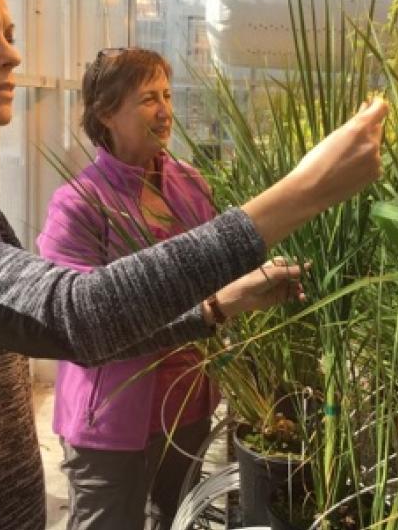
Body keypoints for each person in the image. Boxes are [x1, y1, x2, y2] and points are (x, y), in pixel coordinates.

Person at [0, 0, 387, 530]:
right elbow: (74, 314)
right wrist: (302, 192)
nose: (10, 55)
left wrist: (217, 307)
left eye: (7, 33)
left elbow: (70, 332)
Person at [38, 48, 274, 529]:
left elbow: (220, 276)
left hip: (188, 398)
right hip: (110, 413)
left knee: (178, 515)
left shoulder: (193, 185)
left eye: (167, 94)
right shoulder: (79, 203)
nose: (166, 110)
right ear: (106, 113)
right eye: (148, 98)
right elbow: (74, 323)